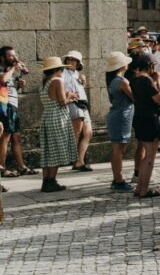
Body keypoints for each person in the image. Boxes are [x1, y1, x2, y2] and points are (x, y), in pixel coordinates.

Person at [38, 57, 78, 192]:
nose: (63, 71)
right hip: (58, 117)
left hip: (47, 117)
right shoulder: (57, 81)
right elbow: (62, 102)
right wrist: (70, 97)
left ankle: (46, 181)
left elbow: (52, 98)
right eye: (62, 68)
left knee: (48, 151)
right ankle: (51, 181)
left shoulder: (44, 82)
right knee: (55, 151)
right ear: (56, 70)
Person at [129, 54, 160, 198]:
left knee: (145, 155)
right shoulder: (146, 80)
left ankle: (139, 187)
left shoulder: (134, 80)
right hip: (150, 118)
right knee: (150, 157)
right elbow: (159, 99)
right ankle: (144, 189)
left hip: (139, 117)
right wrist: (159, 81)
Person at [104, 52, 135, 192]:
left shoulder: (112, 80)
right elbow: (134, 97)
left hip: (118, 115)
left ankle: (117, 177)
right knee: (118, 150)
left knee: (118, 149)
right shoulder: (122, 81)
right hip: (122, 116)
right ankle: (118, 179)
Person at [0, 47, 33, 178]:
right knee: (5, 137)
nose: (14, 58)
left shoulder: (10, 70)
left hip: (13, 104)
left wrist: (19, 85)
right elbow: (2, 80)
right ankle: (2, 168)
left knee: (16, 137)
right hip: (4, 105)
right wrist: (14, 67)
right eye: (10, 56)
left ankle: (21, 166)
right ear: (2, 58)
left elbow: (10, 86)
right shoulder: (2, 69)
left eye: (15, 55)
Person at [63, 51, 92, 172]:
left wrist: (83, 82)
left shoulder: (77, 73)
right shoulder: (63, 73)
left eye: (73, 60)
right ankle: (75, 160)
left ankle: (79, 160)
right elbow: (59, 88)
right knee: (77, 133)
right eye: (69, 59)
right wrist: (68, 95)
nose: (70, 62)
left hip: (82, 102)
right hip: (73, 103)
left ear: (78, 63)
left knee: (88, 133)